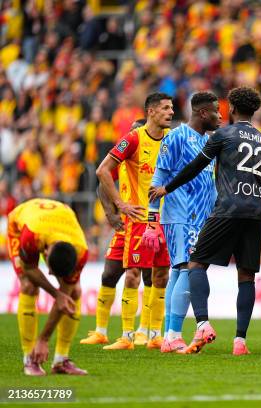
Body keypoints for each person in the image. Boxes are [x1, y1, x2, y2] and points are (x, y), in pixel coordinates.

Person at [149, 86, 261, 356]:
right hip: (255, 211)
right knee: (246, 276)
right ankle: (240, 342)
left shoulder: (223, 135)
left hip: (226, 209)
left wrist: (167, 188)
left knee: (195, 264)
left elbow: (195, 165)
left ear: (232, 108)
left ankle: (202, 323)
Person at [143, 92, 220, 353]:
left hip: (201, 217)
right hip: (182, 216)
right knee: (188, 268)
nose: (220, 116)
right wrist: (152, 222)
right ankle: (173, 334)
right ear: (202, 113)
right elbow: (157, 181)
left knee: (179, 271)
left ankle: (170, 335)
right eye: (216, 111)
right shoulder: (175, 138)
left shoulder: (208, 140)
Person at [95, 93, 173, 350]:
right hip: (139, 218)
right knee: (132, 274)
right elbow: (102, 171)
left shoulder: (173, 139)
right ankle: (126, 336)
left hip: (168, 219)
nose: (171, 112)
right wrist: (119, 205)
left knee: (161, 276)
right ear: (151, 111)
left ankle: (154, 334)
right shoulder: (133, 138)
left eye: (172, 108)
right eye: (165, 108)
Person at [81, 118, 155, 347]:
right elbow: (101, 184)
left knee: (148, 276)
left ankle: (144, 331)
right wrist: (110, 214)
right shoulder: (121, 160)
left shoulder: (153, 158)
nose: (129, 140)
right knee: (109, 274)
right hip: (126, 225)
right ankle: (101, 331)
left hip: (147, 223)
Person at [8, 198, 88, 376]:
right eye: (51, 269)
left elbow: (64, 298)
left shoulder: (81, 250)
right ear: (46, 252)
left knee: (74, 291)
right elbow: (29, 268)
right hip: (21, 224)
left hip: (60, 224)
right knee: (29, 286)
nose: (50, 274)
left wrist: (43, 339)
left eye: (51, 271)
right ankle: (29, 358)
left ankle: (61, 360)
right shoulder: (31, 236)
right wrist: (54, 293)